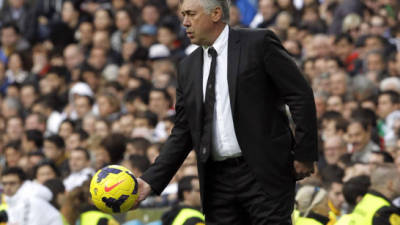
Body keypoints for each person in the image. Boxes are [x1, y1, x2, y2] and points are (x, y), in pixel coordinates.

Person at [136, 0, 318, 224]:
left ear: (216, 14)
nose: (184, 22)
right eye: (183, 15)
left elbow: (299, 94)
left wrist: (304, 153)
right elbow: (183, 130)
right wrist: (150, 181)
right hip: (216, 181)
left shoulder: (258, 43)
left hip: (263, 173)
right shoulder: (187, 66)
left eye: (191, 14)